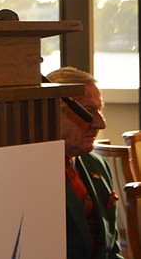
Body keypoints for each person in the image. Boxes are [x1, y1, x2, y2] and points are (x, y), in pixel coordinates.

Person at [47, 66, 124, 259]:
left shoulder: (96, 165)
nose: (101, 123)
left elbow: (112, 250)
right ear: (54, 112)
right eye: (88, 110)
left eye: (100, 110)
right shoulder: (33, 173)